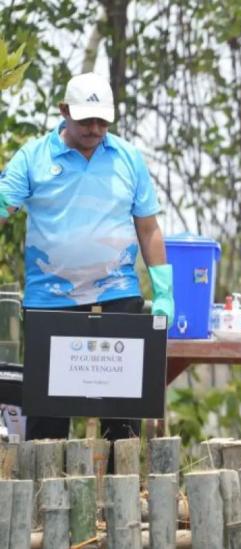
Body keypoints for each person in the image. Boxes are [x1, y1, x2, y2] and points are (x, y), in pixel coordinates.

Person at [0, 72, 174, 442]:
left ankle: (121, 490)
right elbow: (4, 204)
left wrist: (164, 291)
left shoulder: (128, 158)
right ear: (64, 111)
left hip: (117, 294)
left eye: (102, 120)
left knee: (123, 412)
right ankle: (45, 491)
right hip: (50, 298)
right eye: (85, 120)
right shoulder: (33, 157)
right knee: (48, 413)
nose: (95, 128)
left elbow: (148, 228)